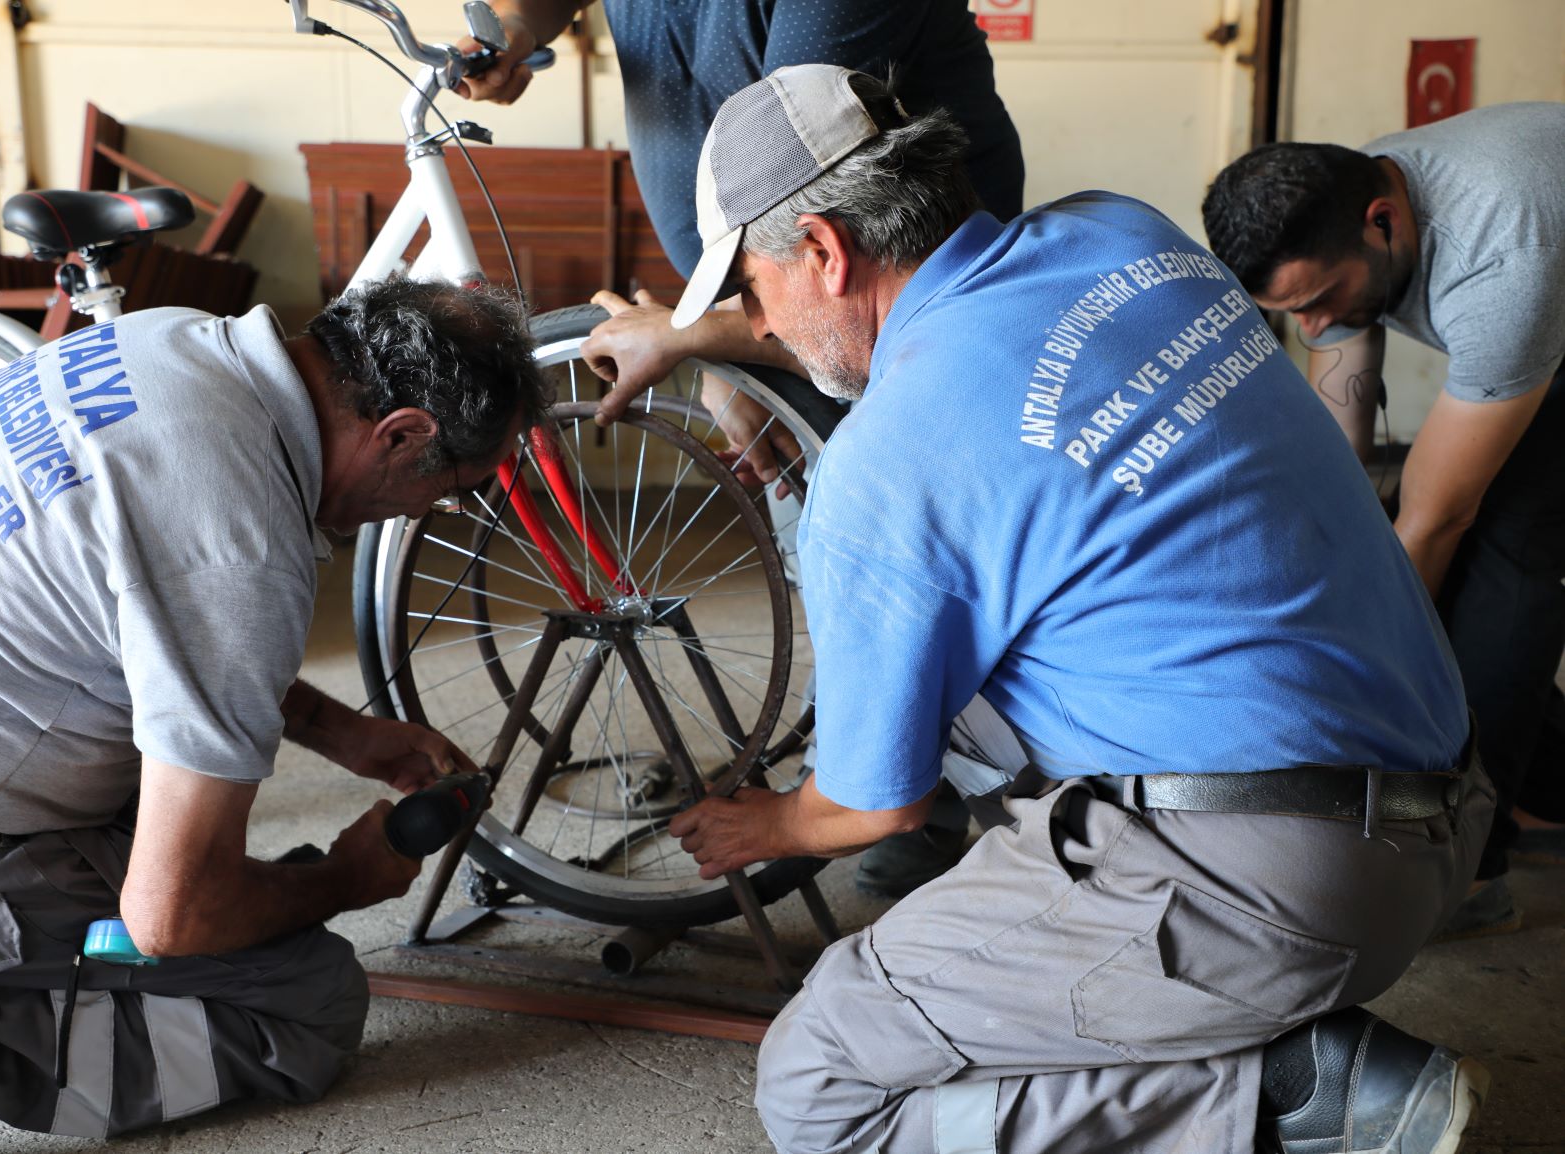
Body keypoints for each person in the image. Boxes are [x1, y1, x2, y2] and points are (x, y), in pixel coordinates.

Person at [665, 64, 1493, 1154]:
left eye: (752, 288)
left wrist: (771, 820)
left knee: (818, 1083)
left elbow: (871, 809)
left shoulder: (883, 465)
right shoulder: (1121, 232)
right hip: (1448, 796)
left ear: (822, 250)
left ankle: (1289, 1095)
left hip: (1288, 885)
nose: (759, 326)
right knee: (988, 638)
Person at [0, 278, 546, 1151]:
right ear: (403, 434)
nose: (430, 512)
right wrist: (352, 881)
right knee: (307, 1006)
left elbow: (162, 611)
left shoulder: (174, 344)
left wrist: (345, 734)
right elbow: (168, 919)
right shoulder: (242, 542)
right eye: (454, 489)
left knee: (214, 862)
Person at [462, 0, 1025, 896]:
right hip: (770, 278)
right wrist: (518, 26)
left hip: (877, 287)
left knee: (913, 565)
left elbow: (800, 175)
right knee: (819, 541)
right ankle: (884, 773)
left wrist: (706, 335)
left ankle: (936, 792)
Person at [1201, 104, 1565, 938]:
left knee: (1508, 550)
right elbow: (1345, 442)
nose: (1314, 327)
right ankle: (1550, 791)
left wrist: (1359, 661)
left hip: (1542, 278)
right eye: (1291, 311)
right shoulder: (1344, 201)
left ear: (1382, 223)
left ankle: (1472, 864)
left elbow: (1438, 519)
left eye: (1322, 299)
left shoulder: (1500, 256)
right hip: (1544, 294)